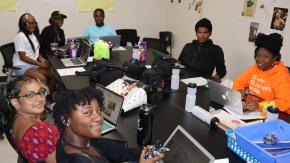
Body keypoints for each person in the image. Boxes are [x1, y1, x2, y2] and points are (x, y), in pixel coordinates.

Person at [52, 87, 163, 163]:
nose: (99, 118)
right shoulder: (77, 160)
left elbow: (120, 152)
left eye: (99, 111)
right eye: (87, 112)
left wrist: (143, 155)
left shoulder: (86, 141)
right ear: (65, 119)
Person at [5, 76, 60, 162]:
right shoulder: (42, 131)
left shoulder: (14, 119)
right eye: (30, 95)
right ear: (15, 102)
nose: (40, 99)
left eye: (41, 92)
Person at [233, 33, 290, 114]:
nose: (260, 60)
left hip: (276, 115)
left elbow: (284, 102)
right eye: (258, 56)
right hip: (253, 111)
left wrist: (260, 106)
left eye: (265, 57)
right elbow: (239, 82)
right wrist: (238, 90)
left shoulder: (282, 75)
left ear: (274, 58)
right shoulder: (255, 68)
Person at [13, 13, 56, 96]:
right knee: (42, 79)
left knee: (54, 76)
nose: (32, 25)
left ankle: (48, 97)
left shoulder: (32, 34)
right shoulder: (20, 37)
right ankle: (43, 99)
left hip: (32, 64)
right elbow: (23, 57)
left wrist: (42, 59)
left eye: (34, 22)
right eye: (28, 23)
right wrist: (40, 64)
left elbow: (35, 50)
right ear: (22, 24)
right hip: (22, 66)